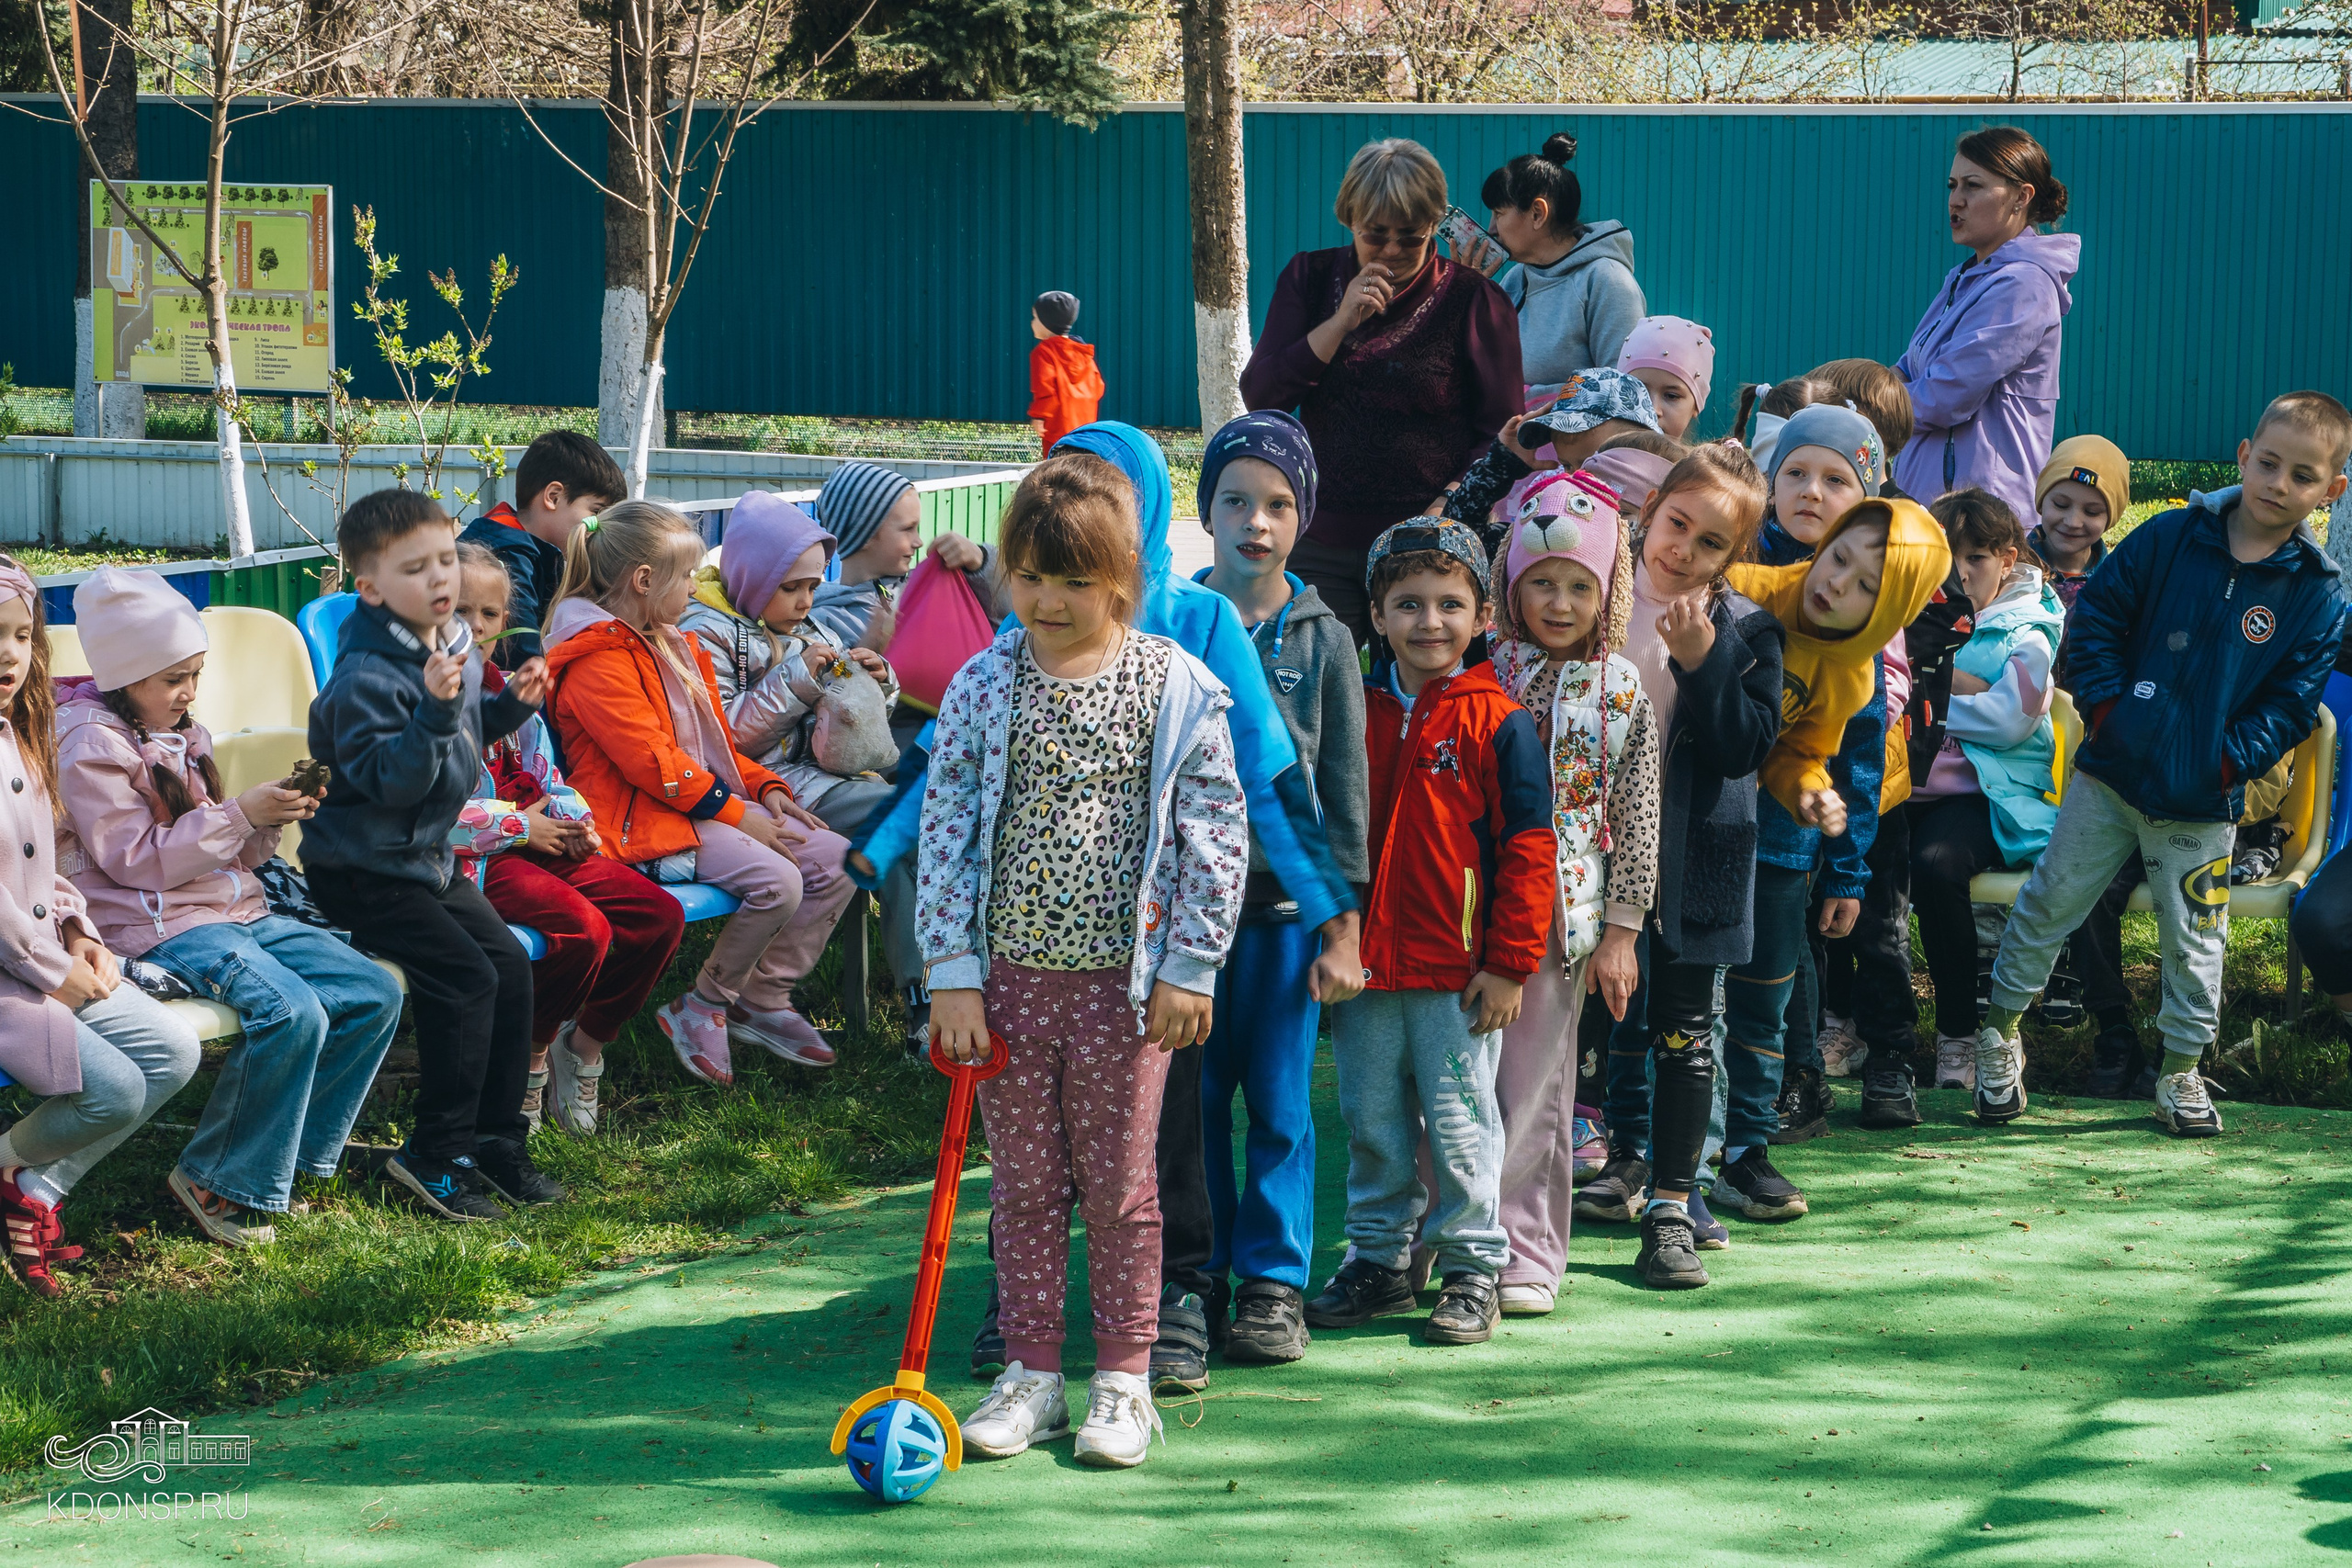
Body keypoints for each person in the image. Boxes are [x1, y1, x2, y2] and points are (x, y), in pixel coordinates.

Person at [970, 422, 1361, 1394]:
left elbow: (1265, 784)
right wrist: (940, 953)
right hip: (1041, 946)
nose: (1081, 516)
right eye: (1065, 487)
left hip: (1192, 929)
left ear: (1140, 505)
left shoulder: (1190, 631)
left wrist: (1333, 911)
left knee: (1182, 1120)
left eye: (1107, 491)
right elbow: (960, 800)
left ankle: (1196, 1286)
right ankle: (1028, 1308)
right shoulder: (1020, 639)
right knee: (1038, 1142)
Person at [923, 455, 1248, 1471]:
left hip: (1126, 989)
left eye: (1072, 581)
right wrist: (952, 973)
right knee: (1022, 1184)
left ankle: (1121, 1379)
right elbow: (946, 827)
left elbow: (1216, 827)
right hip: (1008, 983)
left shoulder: (1174, 684)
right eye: (1027, 577)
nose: (1047, 601)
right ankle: (1031, 1375)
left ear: (1121, 579)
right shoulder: (984, 681)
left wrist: (1192, 963)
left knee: (1118, 1188)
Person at [1980, 392, 2352, 1137]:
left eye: (2302, 475)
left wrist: (2224, 762)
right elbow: (2097, 625)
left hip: (2201, 804)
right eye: (2269, 463)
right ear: (2244, 457)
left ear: (2331, 491)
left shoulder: (2317, 594)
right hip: (2109, 779)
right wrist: (2113, 713)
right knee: (2049, 903)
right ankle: (1998, 1036)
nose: (2279, 483)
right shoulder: (2169, 537)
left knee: (2196, 940)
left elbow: (2290, 704)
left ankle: (2180, 1070)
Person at [51, 568, 399, 1246]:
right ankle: (218, 1177)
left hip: (231, 907)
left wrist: (267, 819)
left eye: (195, 675)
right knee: (290, 1009)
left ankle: (282, 1165)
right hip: (156, 924)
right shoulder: (88, 744)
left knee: (372, 989)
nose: (188, 693)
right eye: (172, 678)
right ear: (126, 677)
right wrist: (239, 814)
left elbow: (222, 848)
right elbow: (137, 860)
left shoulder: (184, 731)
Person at [1303, 520, 1554, 1345]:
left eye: (1450, 603)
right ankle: (1378, 1259)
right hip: (1366, 969)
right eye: (1407, 603)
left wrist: (1512, 963)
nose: (1429, 621)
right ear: (1375, 615)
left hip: (1457, 972)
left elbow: (1528, 847)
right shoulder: (1353, 713)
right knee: (1372, 1122)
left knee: (1460, 1122)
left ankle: (1474, 1265)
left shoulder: (1501, 720)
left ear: (1483, 614)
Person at [303, 490, 563, 1223]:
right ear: (371, 588)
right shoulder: (367, 678)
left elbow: (469, 729)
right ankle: (434, 1153)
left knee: (509, 965)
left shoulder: (444, 639)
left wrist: (513, 704)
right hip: (363, 869)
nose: (442, 578)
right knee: (466, 977)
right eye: (416, 568)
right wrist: (440, 708)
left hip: (421, 859)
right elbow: (391, 782)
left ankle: (494, 1137)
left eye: (446, 558)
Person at [543, 502, 857, 1085]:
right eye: (685, 576)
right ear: (644, 581)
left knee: (834, 860)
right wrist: (741, 814)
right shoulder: (597, 661)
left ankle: (760, 1000)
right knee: (779, 880)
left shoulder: (666, 643)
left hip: (691, 807)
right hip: (639, 825)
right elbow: (653, 765)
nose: (695, 587)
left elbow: (709, 746)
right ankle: (705, 1005)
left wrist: (765, 789)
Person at [1189, 411, 1369, 1366]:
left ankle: (1271, 1283)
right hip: (1186, 922)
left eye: (1278, 505)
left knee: (1282, 1106)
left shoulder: (1323, 637)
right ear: (1204, 508)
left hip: (1287, 919)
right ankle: (1197, 1275)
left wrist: (1343, 926)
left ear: (1301, 520)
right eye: (1235, 500)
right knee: (1196, 1101)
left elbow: (1342, 786)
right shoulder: (1173, 622)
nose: (1254, 521)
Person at [1575, 448, 1778, 1284]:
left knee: (1685, 1036)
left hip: (1697, 861)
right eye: (1677, 524)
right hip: (1589, 856)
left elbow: (1744, 747)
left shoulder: (1747, 629)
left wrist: (1704, 661)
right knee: (1595, 1025)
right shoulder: (1589, 592)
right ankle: (1612, 1159)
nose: (1684, 550)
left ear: (1734, 557)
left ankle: (1670, 1204)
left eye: (1711, 542)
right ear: (1651, 507)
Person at [1719, 496, 1951, 1218]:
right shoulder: (1746, 589)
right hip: (1695, 831)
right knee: (1681, 997)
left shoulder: (1852, 676)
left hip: (1782, 851)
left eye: (1864, 588)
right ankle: (1644, 1147)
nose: (1836, 583)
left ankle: (1746, 1150)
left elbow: (1801, 757)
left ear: (1888, 615)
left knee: (1765, 1002)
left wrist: (1813, 796)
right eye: (1839, 557)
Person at [0, 558, 202, 1295]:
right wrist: (57, 972)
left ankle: (32, 1187)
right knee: (114, 1089)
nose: (9, 653)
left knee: (174, 1051)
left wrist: (80, 928)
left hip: (43, 952)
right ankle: (13, 1174)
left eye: (22, 635)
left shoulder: (18, 736)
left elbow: (43, 864)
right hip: (16, 972)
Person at [1483, 471, 1658, 1314]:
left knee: (1537, 1085)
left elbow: (1638, 811)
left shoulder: (1622, 687)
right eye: (1541, 582)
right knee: (1450, 1078)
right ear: (1510, 584)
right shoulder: (1478, 667)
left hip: (1563, 917)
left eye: (1579, 586)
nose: (1558, 602)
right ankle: (1446, 1236)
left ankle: (1527, 1248)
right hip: (1464, 902)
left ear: (1608, 590)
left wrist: (1623, 929)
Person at [1240, 138, 1523, 641]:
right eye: (1375, 236)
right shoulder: (1311, 278)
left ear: (1436, 224)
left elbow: (1500, 433)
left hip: (1427, 545)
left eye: (1411, 238)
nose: (1391, 252)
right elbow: (1263, 396)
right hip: (1322, 539)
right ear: (1349, 220)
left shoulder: (1475, 299)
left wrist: (1449, 504)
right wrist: (1340, 321)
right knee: (1314, 690)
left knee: (1423, 701)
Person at [676, 492, 926, 1055]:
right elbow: (721, 739)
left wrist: (875, 679)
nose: (806, 600)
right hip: (758, 788)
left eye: (814, 586)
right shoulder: (705, 631)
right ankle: (923, 1003)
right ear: (753, 577)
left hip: (817, 778)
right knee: (905, 825)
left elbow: (855, 727)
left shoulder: (806, 623)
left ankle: (931, 995)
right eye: (791, 588)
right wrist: (797, 681)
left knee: (916, 828)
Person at [454, 544, 686, 1135]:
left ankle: (582, 1044)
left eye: (488, 614)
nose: (474, 628)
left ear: (506, 621)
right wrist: (519, 824)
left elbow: (549, 773)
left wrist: (574, 821)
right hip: (476, 862)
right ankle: (529, 1057)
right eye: (458, 612)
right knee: (583, 930)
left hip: (541, 839)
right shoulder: (423, 703)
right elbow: (429, 815)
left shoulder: (513, 693)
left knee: (657, 915)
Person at [1905, 491, 2064, 1089]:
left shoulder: (2031, 629)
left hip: (1981, 797)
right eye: (1949, 557)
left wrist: (1930, 693)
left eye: (1976, 556)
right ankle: (1854, 1025)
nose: (1962, 571)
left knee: (1938, 865)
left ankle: (1957, 1035)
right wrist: (1965, 686)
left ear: (2007, 557)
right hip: (1902, 787)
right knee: (1853, 860)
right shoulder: (1911, 608)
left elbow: (2009, 719)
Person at [1894, 126, 2079, 527]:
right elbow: (1910, 367)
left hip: (1981, 522)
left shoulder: (2024, 284)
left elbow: (1944, 396)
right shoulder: (1964, 277)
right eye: (1952, 184)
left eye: (1973, 186)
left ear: (2021, 196)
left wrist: (1864, 407)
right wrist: (1858, 391)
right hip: (1931, 506)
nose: (1955, 200)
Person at [805, 461, 997, 687]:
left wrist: (981, 562)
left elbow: (1007, 621)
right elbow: (827, 697)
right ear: (864, 534)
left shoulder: (925, 589)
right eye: (908, 529)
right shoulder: (823, 621)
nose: (919, 541)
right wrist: (864, 654)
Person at [1479, 132, 1644, 396]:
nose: (1491, 229)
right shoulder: (1515, 277)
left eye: (1499, 214)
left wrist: (1527, 401)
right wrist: (1466, 293)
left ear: (1537, 213)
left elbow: (1624, 392)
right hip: (1503, 436)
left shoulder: (1607, 281)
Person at [1442, 368, 1665, 561]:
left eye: (1597, 464)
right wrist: (1498, 467)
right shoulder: (1548, 520)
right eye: (1567, 465)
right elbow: (1457, 546)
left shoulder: (1667, 522)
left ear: (1645, 451)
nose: (1578, 480)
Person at [459, 431, 628, 667]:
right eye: (596, 512)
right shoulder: (507, 556)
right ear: (554, 497)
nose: (600, 526)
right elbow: (524, 655)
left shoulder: (532, 551)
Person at [1027, 289, 1104, 457]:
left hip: (1056, 430)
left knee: (1054, 472)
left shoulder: (1044, 352)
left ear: (1045, 322)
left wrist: (1039, 416)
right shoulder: (1083, 353)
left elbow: (1045, 388)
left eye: (1035, 318)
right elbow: (1098, 387)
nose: (1032, 322)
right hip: (1084, 429)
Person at [1616, 317, 1713, 442]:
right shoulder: (1591, 459)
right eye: (1637, 391)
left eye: (1671, 396)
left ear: (1696, 406)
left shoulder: (1699, 462)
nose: (1652, 409)